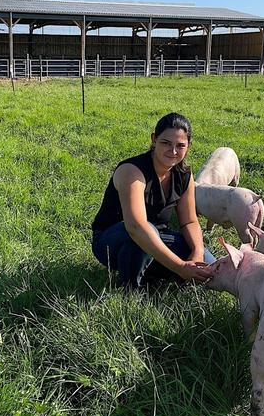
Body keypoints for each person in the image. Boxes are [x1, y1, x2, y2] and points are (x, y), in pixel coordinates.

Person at [91, 112, 215, 289]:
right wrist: (180, 267)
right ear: (154, 139)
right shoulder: (132, 171)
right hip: (113, 240)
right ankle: (130, 288)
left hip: (158, 236)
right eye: (166, 143)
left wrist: (197, 252)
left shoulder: (184, 175)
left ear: (188, 146)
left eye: (180, 145)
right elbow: (136, 227)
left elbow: (189, 221)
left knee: (209, 267)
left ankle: (155, 271)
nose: (172, 151)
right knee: (146, 232)